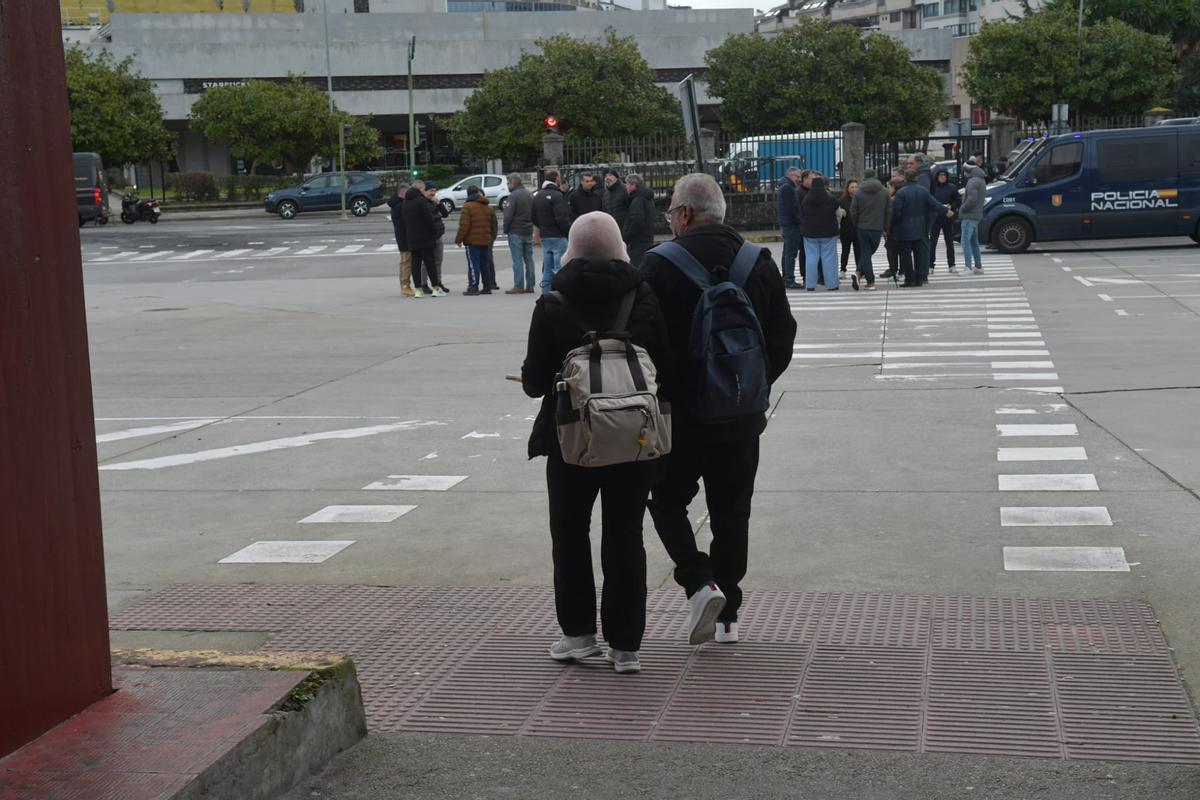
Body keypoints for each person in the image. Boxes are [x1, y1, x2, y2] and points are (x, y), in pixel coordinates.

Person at [641, 174, 797, 645]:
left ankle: (698, 580)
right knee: (733, 513)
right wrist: (751, 384)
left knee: (666, 502)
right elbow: (783, 335)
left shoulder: (657, 266)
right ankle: (728, 615)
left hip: (681, 417)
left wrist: (675, 388)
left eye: (670, 212)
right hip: (741, 417)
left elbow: (645, 343)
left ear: (685, 214)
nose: (670, 221)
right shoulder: (759, 263)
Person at [521, 211, 674, 675]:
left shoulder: (553, 302)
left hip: (572, 439)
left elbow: (533, 382)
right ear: (618, 248)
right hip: (634, 438)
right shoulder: (642, 294)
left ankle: (578, 636)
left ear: (571, 248)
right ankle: (626, 646)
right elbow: (665, 364)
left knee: (569, 534)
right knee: (626, 535)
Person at [890, 169, 953, 288]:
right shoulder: (923, 191)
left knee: (906, 255)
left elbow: (897, 212)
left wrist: (892, 224)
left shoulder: (901, 193)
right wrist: (946, 211)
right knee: (920, 253)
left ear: (905, 179)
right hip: (921, 227)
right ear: (916, 178)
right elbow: (935, 204)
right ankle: (921, 277)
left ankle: (909, 279)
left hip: (904, 229)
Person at [849, 169, 890, 291]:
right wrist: (886, 226)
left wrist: (856, 223)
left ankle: (860, 274)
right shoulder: (884, 192)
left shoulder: (859, 193)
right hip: (877, 228)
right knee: (868, 252)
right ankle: (869, 281)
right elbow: (888, 211)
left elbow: (853, 211)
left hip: (862, 227)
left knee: (866, 252)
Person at [402, 183, 445, 297]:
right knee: (430, 263)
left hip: (412, 238)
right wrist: (433, 232)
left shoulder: (405, 202)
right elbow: (428, 219)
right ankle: (436, 288)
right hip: (425, 237)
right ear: (419, 190)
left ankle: (418, 290)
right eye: (422, 189)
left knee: (415, 264)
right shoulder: (421, 201)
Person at [533, 169, 571, 294]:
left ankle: (545, 295)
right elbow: (562, 218)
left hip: (545, 235)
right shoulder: (557, 196)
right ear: (556, 178)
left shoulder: (538, 195)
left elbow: (533, 217)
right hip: (558, 236)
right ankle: (561, 294)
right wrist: (568, 232)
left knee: (547, 269)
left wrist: (543, 227)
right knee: (560, 269)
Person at [455, 185, 498, 295]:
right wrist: (491, 237)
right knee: (485, 264)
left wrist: (458, 239)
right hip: (486, 240)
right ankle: (487, 287)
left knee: (473, 264)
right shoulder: (489, 207)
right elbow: (493, 225)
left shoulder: (467, 206)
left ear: (468, 194)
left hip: (472, 241)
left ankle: (473, 287)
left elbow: (464, 226)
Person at [801, 176, 841, 291]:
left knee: (811, 258)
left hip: (810, 233)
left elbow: (802, 211)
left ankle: (810, 285)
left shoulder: (806, 199)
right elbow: (837, 206)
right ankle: (832, 284)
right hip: (829, 232)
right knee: (829, 258)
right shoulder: (830, 198)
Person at [503, 173, 536, 294]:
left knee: (517, 260)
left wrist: (506, 229)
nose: (507, 185)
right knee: (529, 259)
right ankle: (530, 285)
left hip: (516, 230)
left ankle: (518, 285)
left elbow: (508, 215)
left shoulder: (513, 196)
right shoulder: (529, 194)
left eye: (508, 183)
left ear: (513, 183)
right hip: (528, 230)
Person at [929, 168, 960, 274]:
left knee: (949, 243)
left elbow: (958, 200)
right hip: (935, 218)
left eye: (944, 175)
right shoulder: (932, 188)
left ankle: (952, 265)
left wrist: (952, 207)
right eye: (940, 175)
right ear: (937, 176)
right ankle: (930, 265)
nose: (942, 177)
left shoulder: (952, 187)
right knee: (932, 242)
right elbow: (929, 201)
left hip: (948, 217)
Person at [622, 173, 656, 269]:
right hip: (647, 239)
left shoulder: (637, 199)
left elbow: (637, 221)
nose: (626, 186)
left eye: (627, 184)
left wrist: (626, 236)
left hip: (638, 242)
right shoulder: (647, 198)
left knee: (637, 268)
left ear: (633, 185)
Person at [423, 182, 452, 294]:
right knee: (426, 262)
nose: (433, 193)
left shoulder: (434, 202)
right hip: (428, 236)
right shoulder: (423, 203)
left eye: (434, 191)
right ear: (425, 191)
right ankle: (423, 283)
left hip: (438, 235)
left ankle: (438, 282)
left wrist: (439, 203)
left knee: (438, 260)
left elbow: (445, 214)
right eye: (431, 191)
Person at [776, 167, 802, 289]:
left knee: (787, 252)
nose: (798, 179)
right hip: (791, 224)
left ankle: (786, 278)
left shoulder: (785, 186)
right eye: (797, 176)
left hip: (787, 223)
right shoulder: (788, 188)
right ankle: (789, 280)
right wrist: (799, 221)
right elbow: (792, 208)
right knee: (790, 253)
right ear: (791, 175)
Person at [386, 182, 414, 297]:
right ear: (403, 192)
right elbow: (404, 223)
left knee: (405, 262)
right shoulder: (400, 206)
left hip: (403, 237)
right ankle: (405, 286)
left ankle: (405, 285)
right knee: (406, 262)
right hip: (405, 238)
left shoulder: (397, 204)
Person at [958, 164, 986, 275]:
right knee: (974, 242)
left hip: (969, 215)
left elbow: (972, 199)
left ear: (968, 171)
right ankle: (978, 266)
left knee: (965, 242)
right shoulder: (981, 180)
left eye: (965, 171)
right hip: (976, 215)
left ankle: (968, 267)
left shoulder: (972, 181)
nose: (964, 174)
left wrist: (962, 208)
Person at [838, 179, 860, 276]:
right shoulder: (842, 200)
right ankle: (843, 269)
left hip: (858, 229)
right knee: (845, 251)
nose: (854, 189)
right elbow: (837, 212)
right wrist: (840, 212)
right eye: (852, 187)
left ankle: (859, 270)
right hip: (846, 230)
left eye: (856, 187)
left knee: (858, 251)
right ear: (847, 189)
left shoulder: (861, 199)